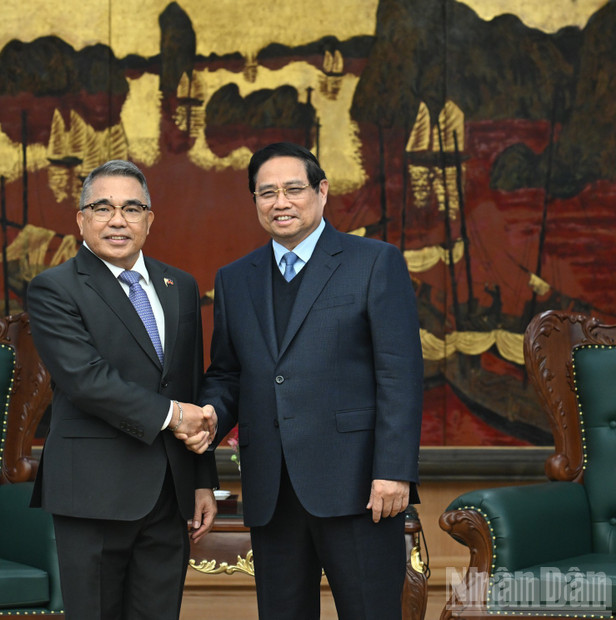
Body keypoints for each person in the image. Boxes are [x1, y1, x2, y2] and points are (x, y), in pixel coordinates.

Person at [196, 142, 423, 619]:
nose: (281, 202)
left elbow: (399, 374)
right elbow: (228, 374)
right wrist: (212, 412)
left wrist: (395, 470)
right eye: (267, 193)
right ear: (255, 201)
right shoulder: (236, 279)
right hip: (272, 492)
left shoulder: (374, 262)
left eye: (293, 189)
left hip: (361, 487)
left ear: (321, 192)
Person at [27, 159, 218, 620]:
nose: (118, 220)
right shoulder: (54, 289)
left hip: (170, 493)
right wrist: (175, 417)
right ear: (81, 220)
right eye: (103, 208)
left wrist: (203, 480)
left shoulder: (181, 285)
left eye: (132, 208)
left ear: (149, 220)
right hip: (93, 493)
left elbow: (188, 385)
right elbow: (86, 380)